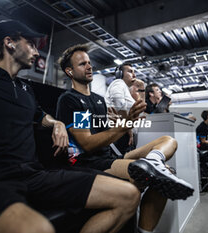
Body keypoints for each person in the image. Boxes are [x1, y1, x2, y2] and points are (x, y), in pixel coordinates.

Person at [0, 20, 141, 233]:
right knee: (39, 229)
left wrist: (56, 122)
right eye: (30, 43)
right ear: (9, 42)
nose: (36, 52)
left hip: (34, 175)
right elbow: (86, 142)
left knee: (129, 195)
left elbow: (41, 115)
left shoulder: (26, 89)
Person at [56, 44, 194, 233]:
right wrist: (124, 126)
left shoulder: (97, 99)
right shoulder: (71, 99)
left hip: (110, 158)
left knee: (169, 141)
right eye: (82, 64)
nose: (89, 67)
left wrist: (121, 124)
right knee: (160, 177)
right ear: (70, 71)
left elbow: (102, 129)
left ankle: (153, 162)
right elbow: (87, 143)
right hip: (89, 163)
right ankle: (152, 169)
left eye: (89, 62)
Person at [104, 63, 139, 154]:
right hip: (121, 134)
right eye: (130, 71)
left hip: (123, 133)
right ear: (120, 74)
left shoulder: (124, 87)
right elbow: (118, 101)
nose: (134, 75)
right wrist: (127, 127)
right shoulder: (118, 82)